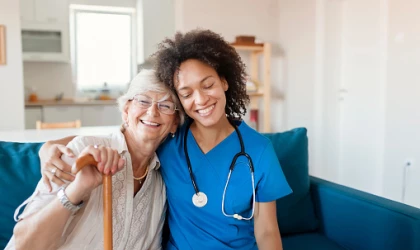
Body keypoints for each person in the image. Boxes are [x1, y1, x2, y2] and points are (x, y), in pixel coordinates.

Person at [38, 29, 292, 250]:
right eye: (187, 93)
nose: (201, 100)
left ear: (224, 81)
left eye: (208, 85)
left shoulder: (259, 151)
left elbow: (267, 231)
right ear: (180, 101)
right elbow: (120, 137)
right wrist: (48, 147)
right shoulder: (170, 139)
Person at [6, 69, 183, 250]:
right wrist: (78, 189)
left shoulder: (160, 183)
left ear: (175, 123)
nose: (152, 111)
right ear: (126, 111)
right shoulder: (83, 151)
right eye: (143, 101)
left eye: (165, 105)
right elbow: (23, 244)